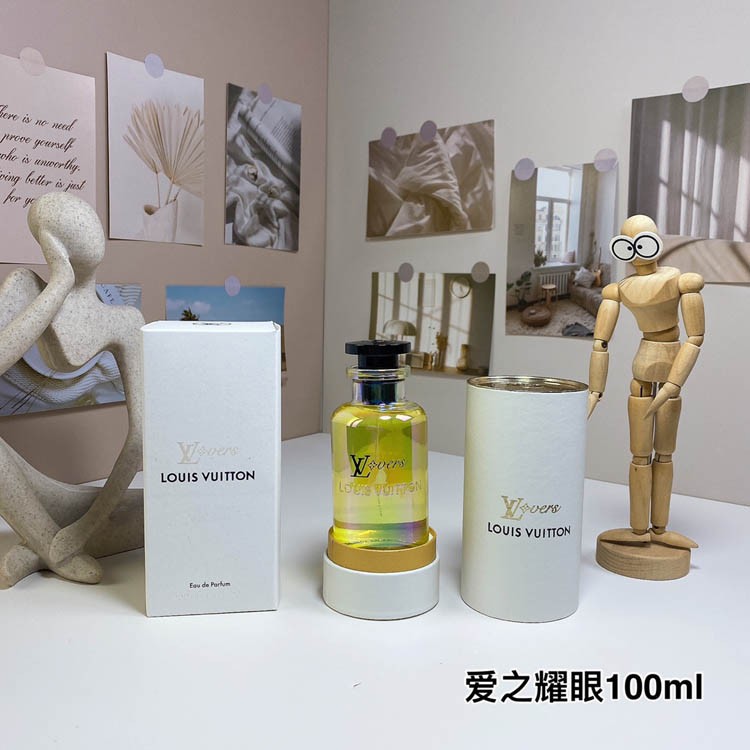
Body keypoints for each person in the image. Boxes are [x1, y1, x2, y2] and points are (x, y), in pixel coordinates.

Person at [0, 192, 143, 584]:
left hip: (90, 503)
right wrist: (59, 284)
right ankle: (50, 546)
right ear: (50, 242)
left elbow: (140, 437)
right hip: (32, 486)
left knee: (159, 511)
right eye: (64, 218)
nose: (85, 220)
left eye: (83, 212)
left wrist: (84, 529)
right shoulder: (27, 288)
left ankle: (39, 546)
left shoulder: (125, 321)